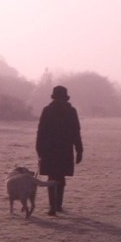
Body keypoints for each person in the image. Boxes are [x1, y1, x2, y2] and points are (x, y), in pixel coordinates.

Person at [35, 85, 83, 215]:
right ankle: (58, 205)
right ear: (65, 98)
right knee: (60, 178)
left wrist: (39, 149)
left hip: (49, 149)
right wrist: (79, 150)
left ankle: (53, 206)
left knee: (52, 177)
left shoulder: (47, 110)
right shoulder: (71, 111)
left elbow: (41, 132)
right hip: (65, 149)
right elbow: (76, 132)